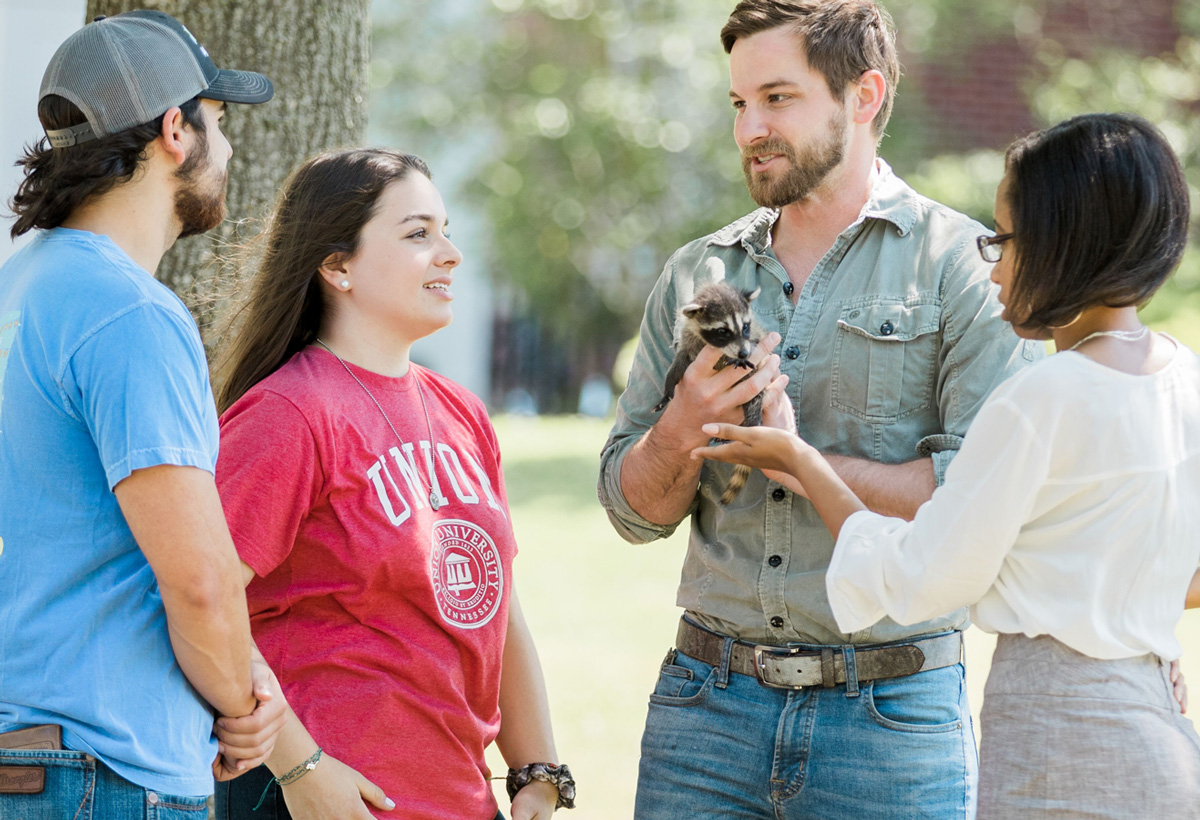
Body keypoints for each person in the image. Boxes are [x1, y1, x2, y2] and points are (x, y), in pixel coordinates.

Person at [598, 1, 1044, 817]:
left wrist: (796, 461)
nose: (749, 129)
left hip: (892, 725)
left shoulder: (966, 272)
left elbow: (982, 506)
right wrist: (680, 428)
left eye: (778, 98)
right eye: (739, 104)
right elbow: (633, 515)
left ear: (863, 95)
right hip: (704, 714)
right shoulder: (697, 271)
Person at [694, 112, 1200, 819]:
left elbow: (925, 576)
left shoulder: (1039, 398)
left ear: (1062, 244)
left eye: (1002, 239)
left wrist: (803, 463)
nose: (991, 263)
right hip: (1161, 736)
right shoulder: (1184, 379)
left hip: (1059, 745)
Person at [210, 148, 573, 820]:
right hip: (321, 800)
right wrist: (301, 768)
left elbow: (501, 614)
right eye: (417, 234)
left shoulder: (461, 412)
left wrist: (538, 771)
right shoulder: (287, 414)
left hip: (462, 801)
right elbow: (203, 605)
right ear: (337, 265)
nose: (450, 254)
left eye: (445, 229)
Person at [0, 9, 285, 816]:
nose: (227, 148)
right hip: (104, 772)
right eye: (220, 123)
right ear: (175, 131)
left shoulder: (18, 289)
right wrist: (243, 706)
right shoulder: (129, 313)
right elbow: (197, 579)